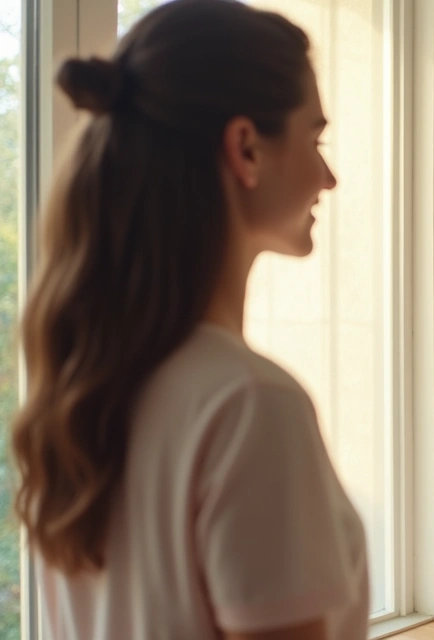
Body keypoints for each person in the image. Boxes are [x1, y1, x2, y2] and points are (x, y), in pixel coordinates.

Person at [8, 1, 368, 638]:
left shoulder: (79, 393)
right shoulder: (249, 405)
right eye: (315, 139)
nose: (328, 177)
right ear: (246, 149)